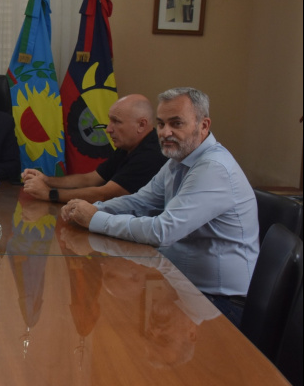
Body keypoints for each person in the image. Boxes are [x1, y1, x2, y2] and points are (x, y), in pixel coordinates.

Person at [61, 87, 259, 326]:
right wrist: (92, 209)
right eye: (161, 124)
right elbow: (139, 201)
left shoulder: (213, 168)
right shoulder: (179, 159)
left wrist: (94, 219)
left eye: (176, 123)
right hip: (183, 285)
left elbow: (162, 231)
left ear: (203, 126)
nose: (166, 133)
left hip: (220, 302)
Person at [21, 94, 167, 203]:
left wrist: (50, 194)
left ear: (141, 125)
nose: (108, 129)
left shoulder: (152, 154)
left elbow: (104, 194)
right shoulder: (129, 145)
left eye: (116, 122)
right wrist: (46, 180)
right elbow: (91, 179)